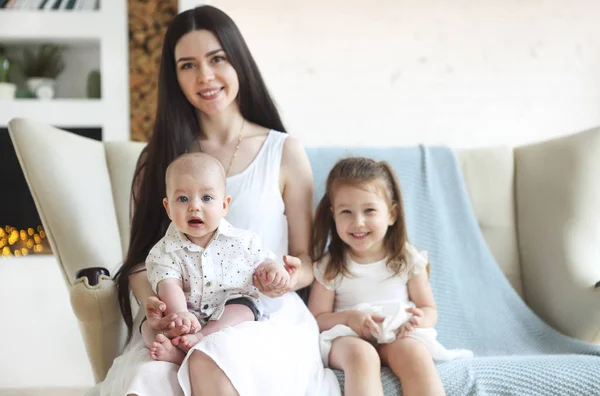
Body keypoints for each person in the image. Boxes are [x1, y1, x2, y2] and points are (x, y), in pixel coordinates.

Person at [98, 5, 341, 396]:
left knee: (214, 358)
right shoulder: (161, 158)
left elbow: (308, 258)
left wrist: (286, 277)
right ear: (174, 77)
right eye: (188, 65)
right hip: (180, 318)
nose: (205, 77)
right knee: (145, 382)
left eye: (217, 59)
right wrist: (157, 307)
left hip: (260, 316)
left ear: (238, 62)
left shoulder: (283, 151)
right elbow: (142, 259)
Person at [308, 157, 472, 396]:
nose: (358, 222)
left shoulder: (407, 258)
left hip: (396, 335)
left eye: (369, 210)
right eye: (346, 212)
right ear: (333, 215)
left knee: (414, 354)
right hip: (346, 338)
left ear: (392, 214)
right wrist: (348, 318)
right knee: (361, 356)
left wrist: (417, 320)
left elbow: (429, 309)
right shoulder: (331, 265)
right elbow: (316, 319)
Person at [143, 153, 290, 364]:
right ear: (168, 208)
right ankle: (178, 352)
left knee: (244, 308)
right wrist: (181, 314)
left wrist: (274, 270)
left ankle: (201, 338)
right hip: (187, 313)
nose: (194, 206)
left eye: (206, 198)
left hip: (228, 307)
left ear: (224, 205)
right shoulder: (163, 251)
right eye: (183, 199)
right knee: (148, 328)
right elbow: (169, 286)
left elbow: (264, 261)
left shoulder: (243, 241)